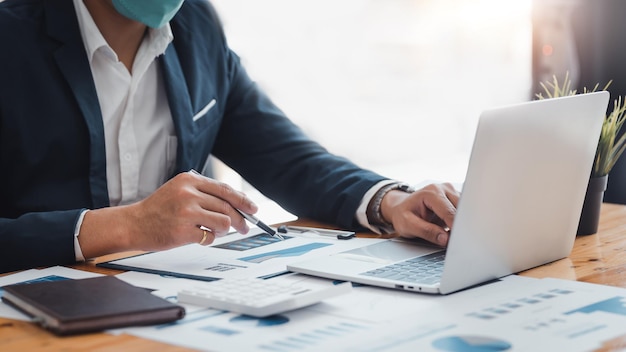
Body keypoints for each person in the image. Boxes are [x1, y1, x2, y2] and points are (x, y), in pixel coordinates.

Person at [0, 0, 459, 274]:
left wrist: (390, 202)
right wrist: (125, 226)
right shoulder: (12, 36)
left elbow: (288, 159)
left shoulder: (196, 26)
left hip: (172, 304)